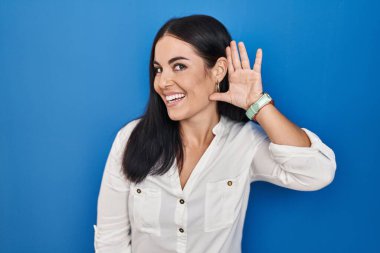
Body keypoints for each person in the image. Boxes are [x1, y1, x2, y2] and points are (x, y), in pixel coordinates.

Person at [93, 14, 336, 253]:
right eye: (158, 69)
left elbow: (318, 173)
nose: (163, 81)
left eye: (179, 66)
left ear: (219, 70)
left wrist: (257, 104)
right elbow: (110, 240)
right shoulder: (130, 139)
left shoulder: (244, 142)